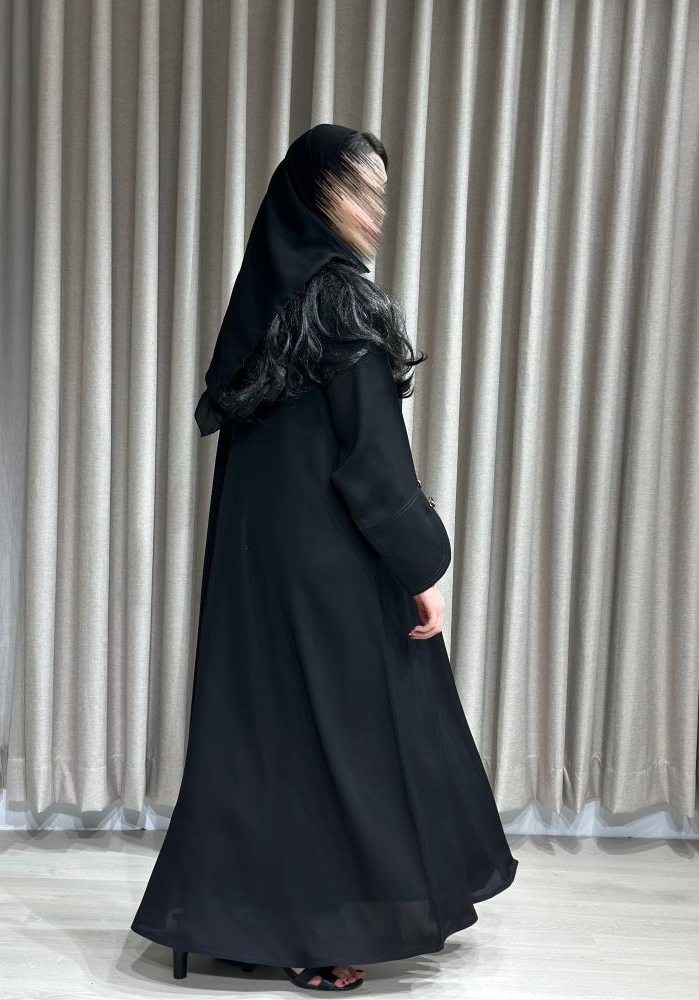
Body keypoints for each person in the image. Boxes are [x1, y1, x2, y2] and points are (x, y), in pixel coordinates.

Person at [130, 123, 518, 993]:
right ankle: (324, 929)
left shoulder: (263, 304)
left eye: (380, 192)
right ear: (312, 194)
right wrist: (423, 565)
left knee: (267, 746)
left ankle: (251, 920)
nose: (374, 210)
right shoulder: (342, 304)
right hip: (330, 574)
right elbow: (372, 464)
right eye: (355, 190)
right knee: (352, 748)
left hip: (254, 577)